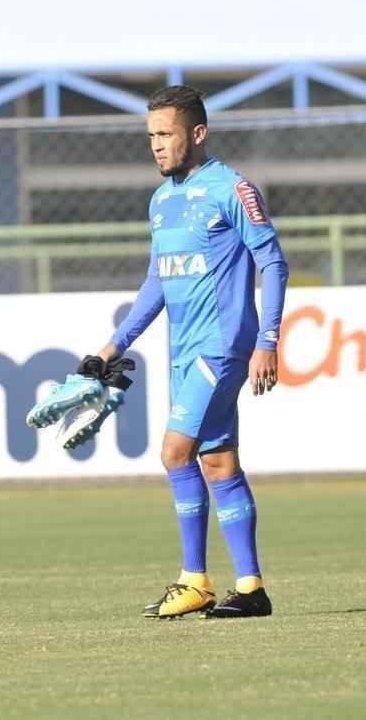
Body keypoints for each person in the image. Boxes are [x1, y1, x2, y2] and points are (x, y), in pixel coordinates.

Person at [94, 85, 289, 619]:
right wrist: (114, 345)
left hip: (223, 347)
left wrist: (267, 341)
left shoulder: (233, 189)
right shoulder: (161, 201)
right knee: (219, 462)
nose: (156, 145)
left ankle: (194, 579)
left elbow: (272, 264)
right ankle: (250, 589)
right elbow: (158, 282)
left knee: (174, 452)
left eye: (166, 134)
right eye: (151, 135)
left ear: (197, 134)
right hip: (185, 351)